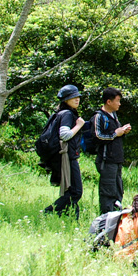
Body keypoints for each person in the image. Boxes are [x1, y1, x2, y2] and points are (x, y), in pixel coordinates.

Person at [44, 84, 85, 218]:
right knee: (75, 191)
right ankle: (48, 212)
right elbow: (65, 135)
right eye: (73, 97)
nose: (77, 99)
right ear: (65, 100)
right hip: (66, 157)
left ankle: (71, 218)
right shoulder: (67, 114)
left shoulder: (62, 113)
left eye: (77, 96)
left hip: (65, 156)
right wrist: (79, 125)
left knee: (71, 191)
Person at [95, 88, 132, 214]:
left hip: (117, 160)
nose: (119, 104)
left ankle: (116, 220)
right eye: (117, 101)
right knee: (108, 192)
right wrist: (115, 134)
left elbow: (116, 134)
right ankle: (105, 222)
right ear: (109, 102)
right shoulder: (99, 116)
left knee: (117, 190)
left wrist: (122, 131)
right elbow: (98, 136)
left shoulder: (114, 116)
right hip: (106, 160)